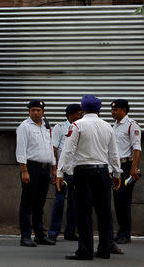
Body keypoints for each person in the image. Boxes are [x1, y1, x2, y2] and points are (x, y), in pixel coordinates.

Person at [57, 95, 122, 260]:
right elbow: (114, 153)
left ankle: (85, 251)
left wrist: (60, 172)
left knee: (83, 212)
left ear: (82, 108)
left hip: (83, 172)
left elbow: (68, 150)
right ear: (99, 109)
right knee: (104, 212)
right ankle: (105, 250)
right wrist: (116, 173)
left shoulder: (77, 125)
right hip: (102, 172)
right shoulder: (108, 126)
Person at [16, 100, 56, 247]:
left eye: (39, 110)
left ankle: (40, 235)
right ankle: (25, 236)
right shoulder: (24, 127)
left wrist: (53, 168)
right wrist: (24, 171)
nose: (36, 112)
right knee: (27, 203)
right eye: (33, 110)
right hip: (31, 168)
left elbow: (50, 147)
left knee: (40, 203)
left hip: (45, 169)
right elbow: (21, 150)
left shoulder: (46, 126)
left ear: (43, 112)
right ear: (29, 111)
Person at [47, 104, 82, 243]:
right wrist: (55, 170)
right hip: (63, 171)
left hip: (77, 170)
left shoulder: (81, 126)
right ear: (70, 115)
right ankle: (53, 232)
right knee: (59, 200)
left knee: (75, 202)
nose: (81, 116)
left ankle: (70, 231)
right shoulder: (60, 127)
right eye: (78, 113)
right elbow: (54, 149)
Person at [111, 99, 141, 244]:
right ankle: (121, 232)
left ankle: (125, 234)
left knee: (125, 201)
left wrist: (133, 168)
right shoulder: (115, 126)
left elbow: (137, 148)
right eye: (112, 110)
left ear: (123, 110)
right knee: (117, 202)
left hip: (126, 167)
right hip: (116, 168)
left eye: (115, 110)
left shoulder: (131, 125)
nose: (112, 112)